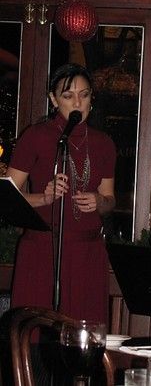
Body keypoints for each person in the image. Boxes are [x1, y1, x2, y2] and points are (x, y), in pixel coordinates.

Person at [6, 62, 116, 325]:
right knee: (36, 337)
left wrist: (100, 201)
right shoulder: (35, 136)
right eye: (68, 96)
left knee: (82, 340)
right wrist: (42, 198)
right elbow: (7, 196)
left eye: (85, 94)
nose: (77, 102)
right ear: (53, 99)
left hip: (87, 253)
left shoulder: (103, 143)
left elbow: (110, 201)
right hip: (42, 250)